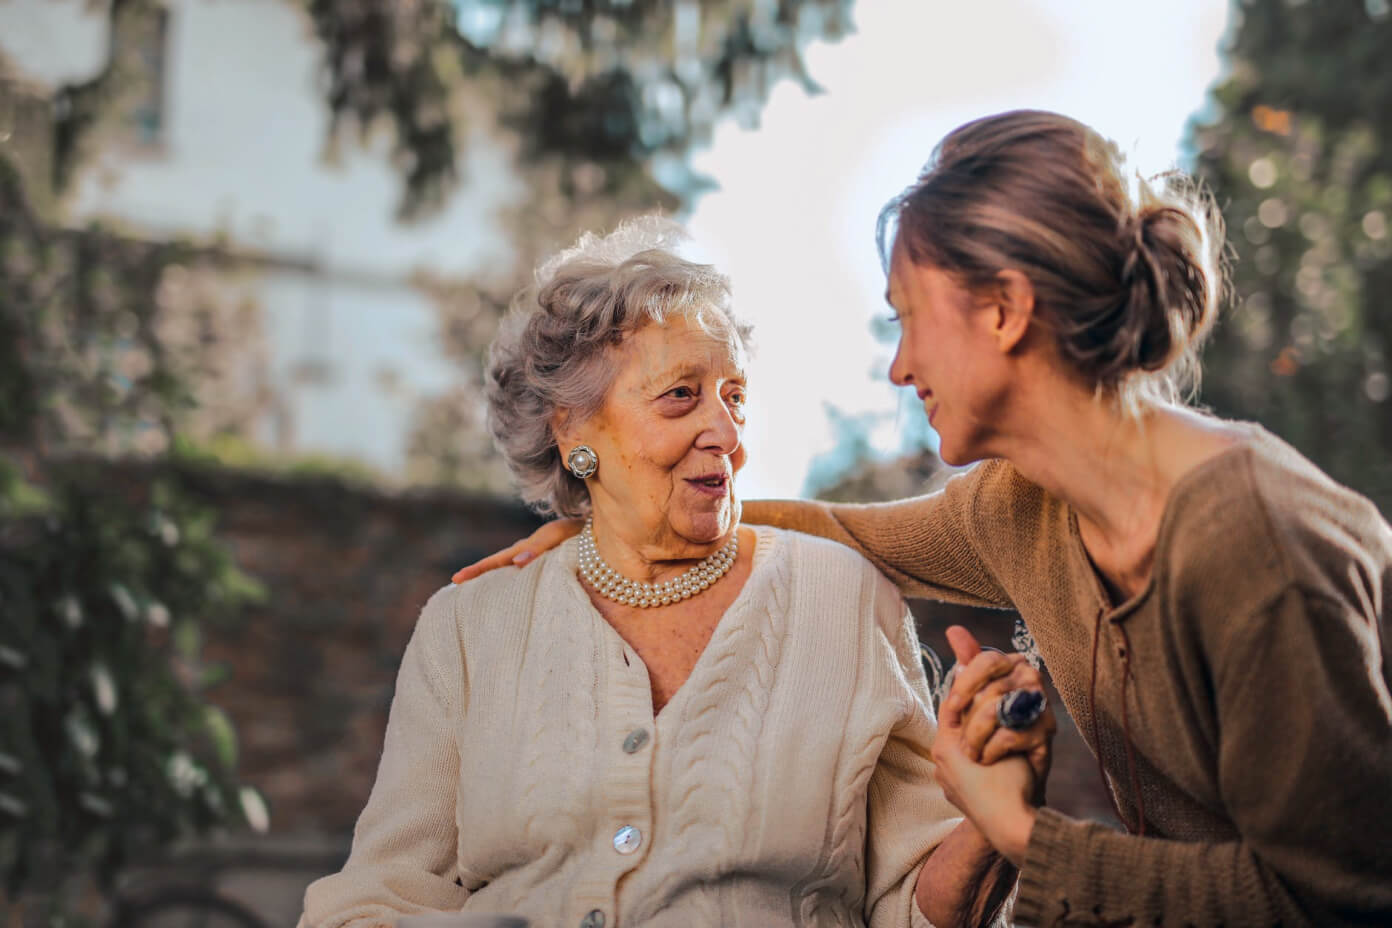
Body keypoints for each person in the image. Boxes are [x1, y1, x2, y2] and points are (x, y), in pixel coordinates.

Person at [451, 112, 1392, 926]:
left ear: (1005, 310)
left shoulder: (1254, 545)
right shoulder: (1023, 507)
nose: (899, 368)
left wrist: (1019, 831)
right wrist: (615, 522)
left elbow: (1336, 900)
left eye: (907, 318)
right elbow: (843, 531)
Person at [300, 218, 1053, 928]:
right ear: (573, 430)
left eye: (736, 398)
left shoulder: (843, 600)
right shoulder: (471, 627)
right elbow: (377, 897)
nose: (726, 435)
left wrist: (992, 822)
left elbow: (914, 908)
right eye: (681, 397)